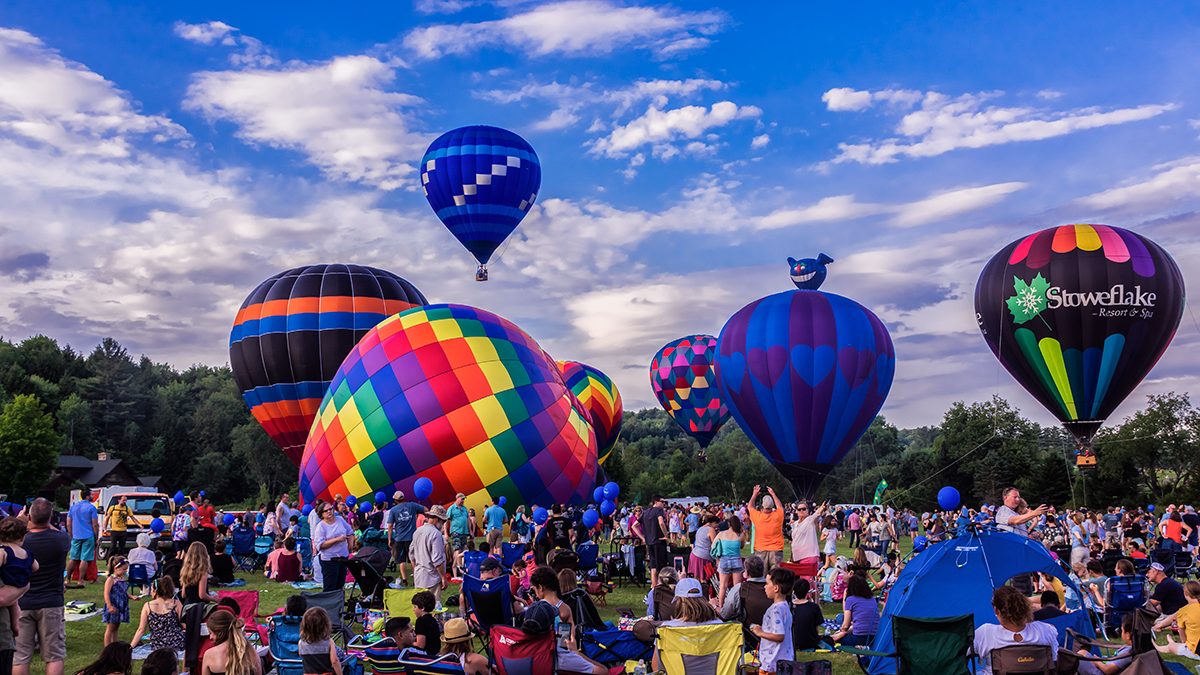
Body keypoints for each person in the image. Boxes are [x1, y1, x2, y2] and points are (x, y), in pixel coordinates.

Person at [15, 498, 69, 675]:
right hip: (51, 602)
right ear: (51, 517)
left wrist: (20, 522)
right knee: (54, 656)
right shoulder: (62, 539)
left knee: (21, 656)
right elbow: (53, 530)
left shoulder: (20, 541)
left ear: (29, 516)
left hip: (21, 602)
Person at [528, 566, 608, 674]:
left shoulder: (536, 610)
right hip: (563, 655)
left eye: (534, 588)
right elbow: (571, 639)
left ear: (540, 587)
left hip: (541, 654)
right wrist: (575, 652)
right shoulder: (565, 609)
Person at [974, 586, 1059, 675]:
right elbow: (1054, 658)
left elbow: (965, 651)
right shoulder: (1045, 631)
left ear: (996, 610)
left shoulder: (986, 633)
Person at [751, 567, 795, 675]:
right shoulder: (785, 606)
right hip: (784, 660)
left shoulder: (775, 610)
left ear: (776, 588)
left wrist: (759, 632)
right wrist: (763, 629)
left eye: (767, 583)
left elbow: (779, 636)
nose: (765, 587)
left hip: (771, 663)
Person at [130, 576, 185, 654]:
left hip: (158, 644)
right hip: (177, 643)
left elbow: (141, 630)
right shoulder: (176, 603)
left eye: (152, 589)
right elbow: (184, 625)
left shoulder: (148, 606)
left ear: (155, 591)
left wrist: (131, 646)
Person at [202, 608, 263, 675]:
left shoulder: (210, 655)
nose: (210, 637)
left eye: (210, 633)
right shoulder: (251, 653)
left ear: (219, 633)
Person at [313, 501, 354, 593]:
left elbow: (350, 531)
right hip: (329, 560)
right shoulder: (320, 527)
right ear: (321, 514)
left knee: (340, 586)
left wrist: (350, 547)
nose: (329, 512)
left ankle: (338, 605)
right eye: (326, 511)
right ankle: (328, 606)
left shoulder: (340, 519)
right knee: (330, 587)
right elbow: (321, 545)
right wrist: (336, 540)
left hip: (343, 557)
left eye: (330, 509)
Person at [386, 490, 424, 589]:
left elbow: (390, 526)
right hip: (412, 537)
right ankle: (416, 580)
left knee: (401, 560)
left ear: (395, 499)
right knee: (413, 559)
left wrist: (389, 539)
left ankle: (404, 580)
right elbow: (425, 509)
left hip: (399, 538)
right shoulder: (412, 505)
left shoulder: (393, 510)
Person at [828, 574, 879, 647]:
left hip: (860, 637)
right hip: (875, 637)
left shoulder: (851, 599)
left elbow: (846, 625)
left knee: (837, 636)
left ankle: (841, 635)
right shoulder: (872, 599)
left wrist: (841, 631)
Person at [411, 505, 448, 606]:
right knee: (434, 609)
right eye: (443, 521)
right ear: (437, 519)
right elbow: (437, 560)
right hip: (432, 578)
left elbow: (411, 556)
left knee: (419, 608)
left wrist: (415, 573)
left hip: (419, 577)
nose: (443, 524)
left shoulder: (417, 532)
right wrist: (443, 577)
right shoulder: (436, 534)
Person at [1155, 580, 1200, 659]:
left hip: (1196, 651)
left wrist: (1182, 645)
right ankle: (1172, 643)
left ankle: (1161, 646)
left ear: (1185, 593)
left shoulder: (1183, 611)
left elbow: (1183, 638)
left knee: (1172, 647)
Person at [66, 490, 100, 588]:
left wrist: (71, 535)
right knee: (84, 559)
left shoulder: (73, 507)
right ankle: (80, 580)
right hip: (88, 535)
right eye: (91, 494)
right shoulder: (91, 508)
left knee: (73, 558)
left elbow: (68, 523)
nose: (93, 496)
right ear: (87, 496)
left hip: (76, 535)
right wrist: (96, 538)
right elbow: (95, 524)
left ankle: (68, 579)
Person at [711, 515, 745, 610]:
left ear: (728, 523)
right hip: (737, 560)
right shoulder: (740, 535)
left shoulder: (721, 534)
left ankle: (721, 607)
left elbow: (713, 545)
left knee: (723, 586)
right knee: (737, 586)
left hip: (724, 561)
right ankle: (737, 607)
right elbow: (741, 547)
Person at [747, 486, 785, 571]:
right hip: (776, 549)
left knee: (760, 576)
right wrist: (773, 494)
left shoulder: (757, 516)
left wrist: (754, 495)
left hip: (760, 549)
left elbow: (750, 507)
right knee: (776, 578)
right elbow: (779, 506)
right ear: (772, 506)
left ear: (762, 506)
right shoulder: (778, 515)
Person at [298, 607, 342, 675]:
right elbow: (334, 661)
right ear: (325, 625)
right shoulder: (329, 642)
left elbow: (303, 657)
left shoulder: (301, 643)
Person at [789, 501, 827, 567]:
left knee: (806, 576)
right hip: (797, 556)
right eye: (799, 509)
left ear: (808, 510)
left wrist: (822, 507)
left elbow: (816, 514)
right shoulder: (796, 523)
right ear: (796, 511)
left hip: (808, 555)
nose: (801, 511)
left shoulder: (810, 520)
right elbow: (795, 539)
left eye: (804, 509)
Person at [642, 496, 669, 589]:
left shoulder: (646, 512)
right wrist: (666, 536)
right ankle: (661, 587)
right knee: (661, 567)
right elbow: (661, 522)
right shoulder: (658, 510)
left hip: (650, 542)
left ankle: (654, 588)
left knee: (653, 567)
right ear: (656, 502)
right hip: (659, 541)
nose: (664, 504)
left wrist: (643, 537)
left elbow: (634, 525)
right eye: (662, 501)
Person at [791, 578, 824, 651]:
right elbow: (816, 629)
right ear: (807, 591)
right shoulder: (814, 607)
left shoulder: (789, 607)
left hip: (792, 642)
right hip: (810, 642)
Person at [688, 514, 718, 581]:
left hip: (694, 554)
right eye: (717, 525)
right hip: (703, 556)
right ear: (714, 523)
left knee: (696, 580)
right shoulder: (711, 530)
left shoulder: (700, 528)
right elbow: (714, 545)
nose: (717, 527)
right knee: (703, 580)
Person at [410, 590, 440, 655]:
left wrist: (408, 642)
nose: (413, 609)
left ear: (422, 608)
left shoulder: (421, 621)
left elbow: (420, 645)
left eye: (415, 607)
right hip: (435, 653)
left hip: (426, 655)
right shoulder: (432, 620)